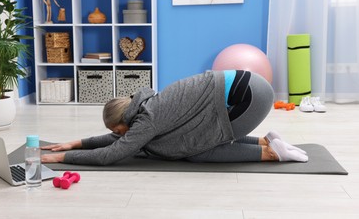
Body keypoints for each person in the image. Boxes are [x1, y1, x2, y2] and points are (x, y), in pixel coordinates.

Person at [41, 70, 308, 165]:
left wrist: (60, 158)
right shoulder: (145, 105)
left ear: (124, 120)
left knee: (198, 152)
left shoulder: (147, 120)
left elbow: (111, 154)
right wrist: (74, 143)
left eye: (119, 131)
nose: (120, 136)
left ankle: (272, 154)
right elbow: (115, 140)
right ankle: (266, 141)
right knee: (199, 141)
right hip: (252, 86)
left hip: (250, 98)